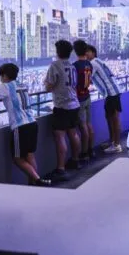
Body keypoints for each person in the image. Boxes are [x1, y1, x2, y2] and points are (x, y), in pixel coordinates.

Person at [0, 63, 50, 186]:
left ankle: (38, 180)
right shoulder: (22, 85)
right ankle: (33, 184)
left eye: (1, 76)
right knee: (30, 155)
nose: (0, 79)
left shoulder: (5, 87)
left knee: (17, 159)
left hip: (20, 126)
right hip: (32, 123)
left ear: (5, 76)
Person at [44, 40, 82, 181]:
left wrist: (46, 83)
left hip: (61, 106)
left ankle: (61, 168)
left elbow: (48, 87)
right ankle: (76, 160)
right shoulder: (72, 66)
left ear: (57, 51)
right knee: (74, 134)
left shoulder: (55, 65)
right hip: (74, 105)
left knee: (60, 137)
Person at [86, 45, 124, 154]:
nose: (86, 54)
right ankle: (112, 142)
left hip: (111, 93)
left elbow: (87, 80)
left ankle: (116, 145)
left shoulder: (93, 63)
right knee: (109, 118)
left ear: (93, 53)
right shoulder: (98, 61)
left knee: (114, 119)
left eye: (88, 51)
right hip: (111, 92)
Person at [72, 40, 95, 161]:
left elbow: (73, 83)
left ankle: (84, 153)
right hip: (87, 96)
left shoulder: (75, 66)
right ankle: (91, 150)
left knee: (83, 126)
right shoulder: (89, 64)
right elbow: (90, 80)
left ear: (75, 51)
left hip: (79, 99)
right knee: (89, 124)